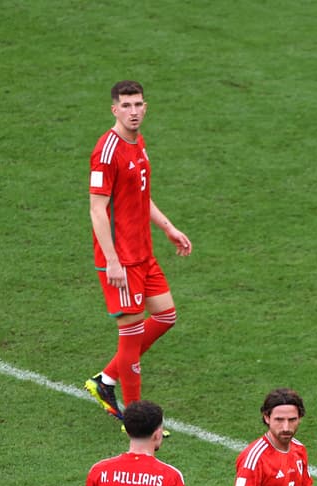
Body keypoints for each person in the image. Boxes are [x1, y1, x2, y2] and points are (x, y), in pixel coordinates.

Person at [84, 81, 192, 421]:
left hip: (143, 253)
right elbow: (97, 209)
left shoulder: (138, 142)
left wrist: (169, 228)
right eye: (126, 106)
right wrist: (112, 261)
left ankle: (105, 380)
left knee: (165, 316)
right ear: (114, 109)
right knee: (129, 336)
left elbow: (140, 197)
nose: (133, 112)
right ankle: (135, 420)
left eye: (138, 105)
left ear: (146, 107)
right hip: (122, 260)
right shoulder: (107, 152)